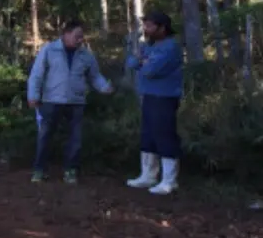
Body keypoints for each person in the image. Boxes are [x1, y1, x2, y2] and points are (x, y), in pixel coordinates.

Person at [27, 19, 115, 184]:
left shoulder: (86, 55)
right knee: (45, 136)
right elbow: (36, 75)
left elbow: (94, 76)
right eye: (77, 36)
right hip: (51, 101)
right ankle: (39, 170)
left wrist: (105, 87)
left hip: (76, 102)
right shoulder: (49, 50)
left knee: (75, 138)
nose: (80, 39)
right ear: (66, 34)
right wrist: (33, 96)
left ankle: (71, 170)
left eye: (82, 36)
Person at [124, 11, 184, 195]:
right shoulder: (149, 46)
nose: (146, 29)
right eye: (145, 25)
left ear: (162, 27)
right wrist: (143, 61)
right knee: (148, 135)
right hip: (149, 95)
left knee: (164, 135)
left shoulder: (170, 47)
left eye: (150, 25)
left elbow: (150, 70)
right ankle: (148, 175)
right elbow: (131, 62)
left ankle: (169, 181)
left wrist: (142, 62)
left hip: (165, 97)